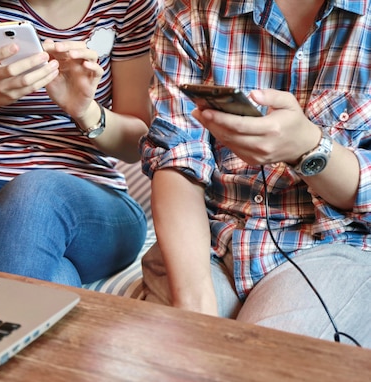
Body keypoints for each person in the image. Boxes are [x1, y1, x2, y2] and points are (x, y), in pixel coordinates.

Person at [140, 0, 371, 347]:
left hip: (333, 246)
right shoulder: (189, 15)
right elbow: (177, 160)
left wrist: (307, 148)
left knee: (260, 369)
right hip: (205, 244)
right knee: (161, 367)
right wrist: (193, 304)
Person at [0, 0, 159, 286]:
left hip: (94, 200)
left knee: (37, 191)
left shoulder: (130, 5)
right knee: (58, 278)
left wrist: (85, 111)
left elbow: (136, 145)